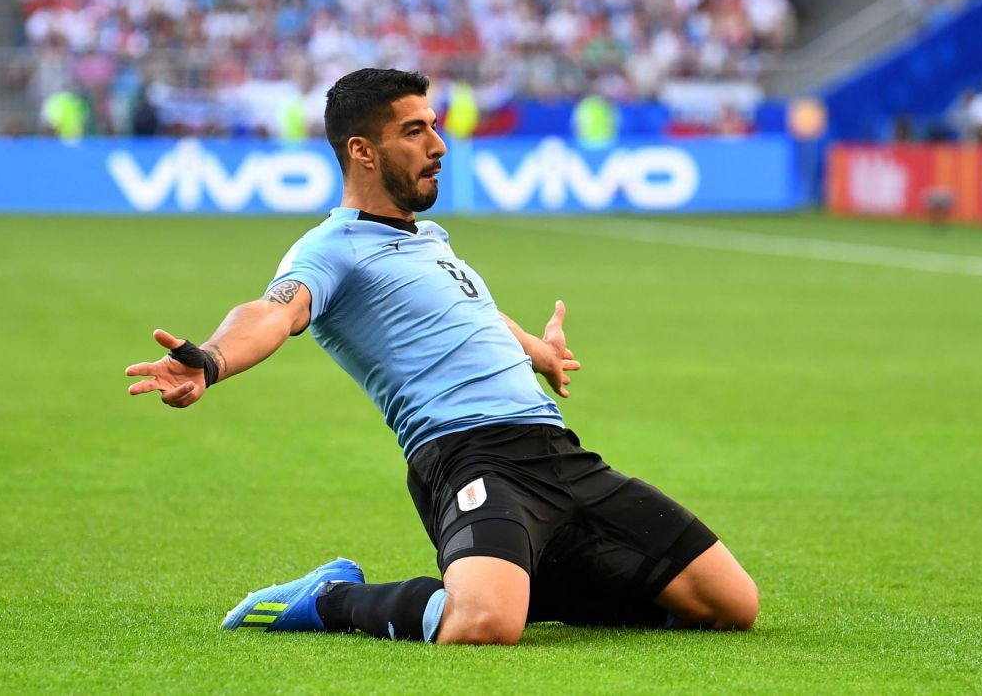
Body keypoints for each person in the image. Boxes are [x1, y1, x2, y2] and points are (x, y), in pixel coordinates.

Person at [125, 68, 759, 645]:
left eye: (434, 127)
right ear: (362, 150)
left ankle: (524, 577)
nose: (439, 145)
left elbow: (472, 314)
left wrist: (539, 351)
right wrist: (209, 359)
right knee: (484, 623)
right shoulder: (331, 248)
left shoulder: (429, 239)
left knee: (731, 604)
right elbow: (273, 311)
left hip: (558, 450)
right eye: (415, 130)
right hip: (467, 456)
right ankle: (330, 599)